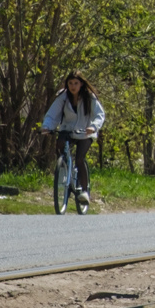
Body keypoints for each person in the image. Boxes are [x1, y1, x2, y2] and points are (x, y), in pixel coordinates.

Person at [41, 73, 106, 213]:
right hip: (67, 129)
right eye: (70, 83)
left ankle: (83, 191)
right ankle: (64, 171)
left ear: (81, 84)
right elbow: (53, 114)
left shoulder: (89, 97)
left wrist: (93, 127)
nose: (73, 87)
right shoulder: (63, 96)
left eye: (75, 83)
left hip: (85, 131)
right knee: (60, 146)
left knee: (80, 158)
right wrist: (47, 127)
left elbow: (99, 114)